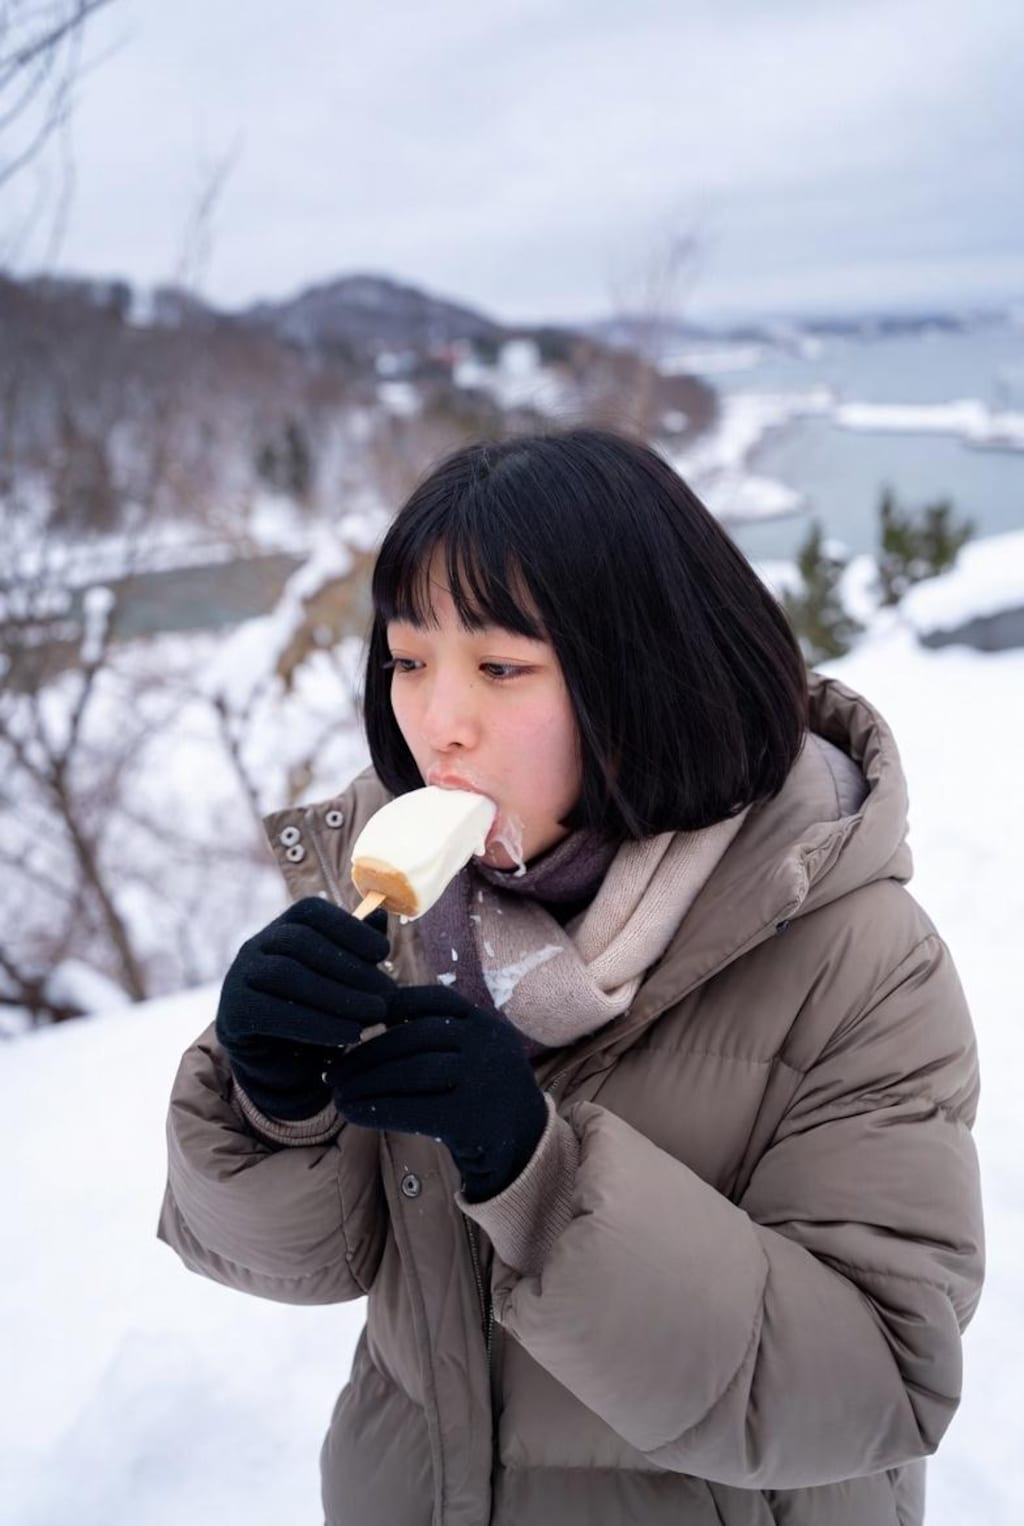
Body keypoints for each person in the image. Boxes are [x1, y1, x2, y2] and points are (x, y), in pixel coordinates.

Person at [158, 427, 984, 1526]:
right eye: (408, 660)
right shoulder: (406, 917)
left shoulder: (861, 963)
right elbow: (310, 1263)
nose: (437, 723)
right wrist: (270, 1102)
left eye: (501, 667)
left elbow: (877, 1382)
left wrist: (537, 1176)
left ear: (647, 673)